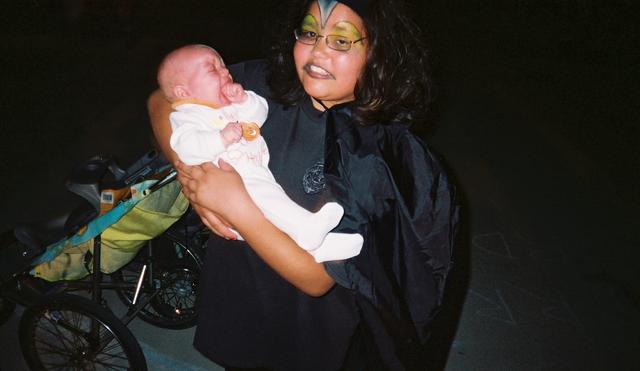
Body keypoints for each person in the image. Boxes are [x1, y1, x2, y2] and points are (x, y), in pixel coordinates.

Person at [148, 0, 459, 370]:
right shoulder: (261, 87)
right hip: (239, 300)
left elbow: (317, 280)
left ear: (380, 53)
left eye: (341, 41)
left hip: (302, 330)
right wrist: (191, 173)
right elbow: (161, 100)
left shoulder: (371, 156)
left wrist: (237, 207)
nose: (318, 49)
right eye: (310, 32)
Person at [157, 44, 363, 263]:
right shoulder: (188, 116)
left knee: (276, 203)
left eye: (224, 66)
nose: (225, 72)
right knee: (270, 199)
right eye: (212, 69)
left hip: (252, 175)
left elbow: (259, 114)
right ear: (183, 92)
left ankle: (319, 248)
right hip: (233, 183)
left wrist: (244, 100)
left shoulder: (227, 104)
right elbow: (186, 146)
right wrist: (220, 139)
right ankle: (307, 229)